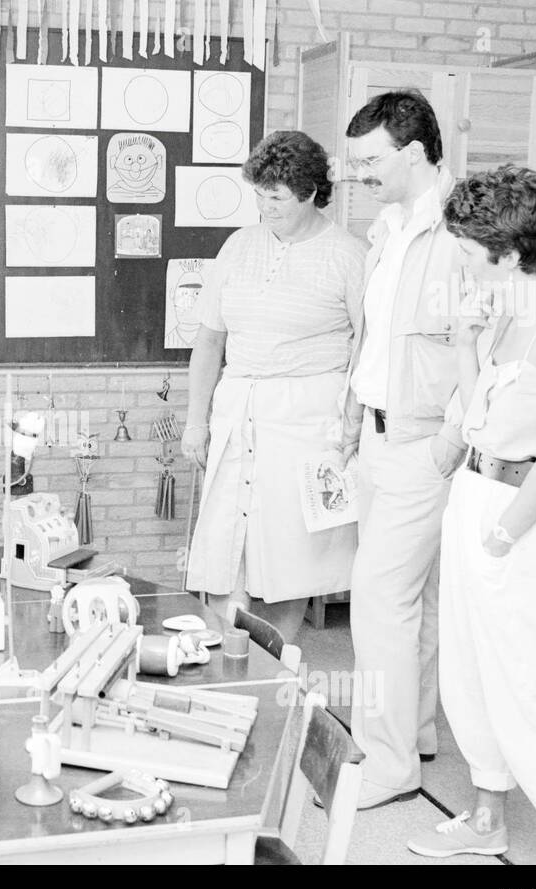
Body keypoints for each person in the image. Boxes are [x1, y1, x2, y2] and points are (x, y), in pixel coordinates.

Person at [407, 166, 536, 865]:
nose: (459, 261)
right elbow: (479, 421)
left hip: (523, 515)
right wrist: (466, 346)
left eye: (467, 249)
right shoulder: (503, 320)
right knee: (468, 670)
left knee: (531, 677)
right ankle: (487, 814)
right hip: (476, 495)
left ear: (508, 250)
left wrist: (502, 534)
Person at [182, 130, 367, 645]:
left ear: (310, 192)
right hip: (238, 411)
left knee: (287, 559)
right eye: (259, 193)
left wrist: (353, 425)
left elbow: (368, 351)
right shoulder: (238, 246)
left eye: (277, 196)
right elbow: (209, 340)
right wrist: (196, 422)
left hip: (307, 421)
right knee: (225, 549)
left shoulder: (349, 255)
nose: (265, 206)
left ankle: (274, 660)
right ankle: (226, 656)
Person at [340, 90, 469, 809]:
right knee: (411, 600)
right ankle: (415, 730)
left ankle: (387, 764)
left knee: (379, 600)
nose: (357, 174)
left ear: (415, 152)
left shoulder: (460, 233)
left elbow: (476, 343)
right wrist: (349, 414)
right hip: (374, 436)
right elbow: (374, 338)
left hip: (423, 445)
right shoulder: (387, 228)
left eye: (369, 160)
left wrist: (449, 443)